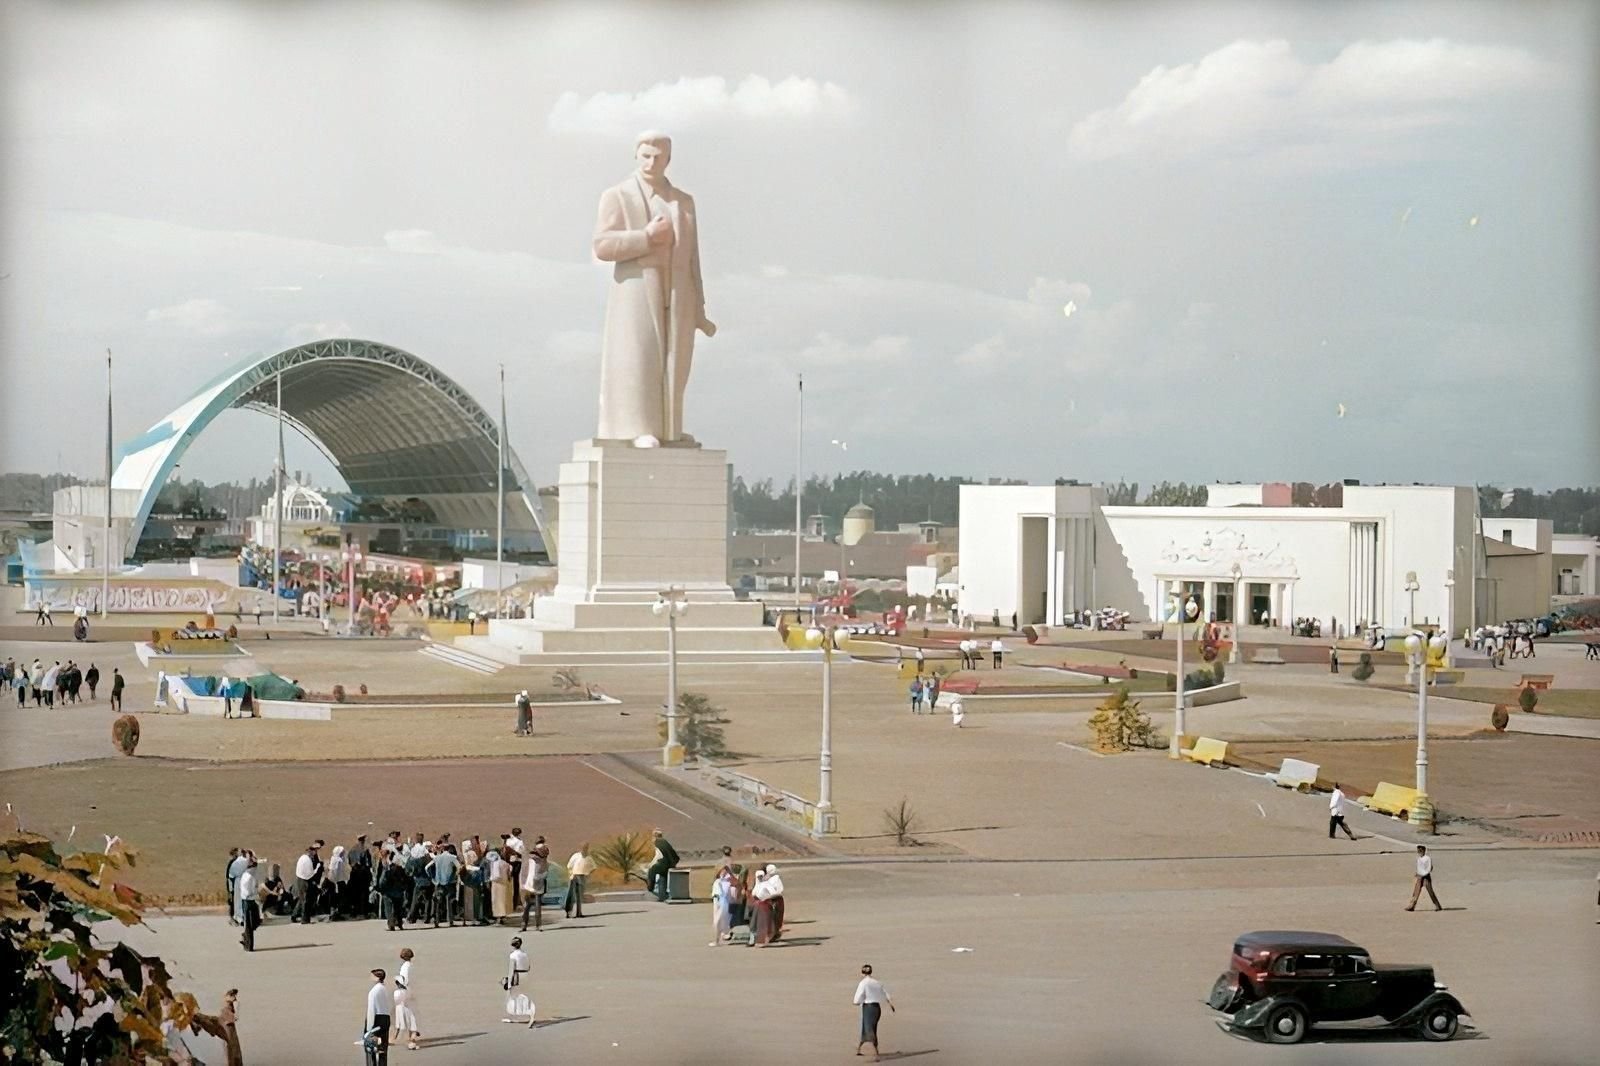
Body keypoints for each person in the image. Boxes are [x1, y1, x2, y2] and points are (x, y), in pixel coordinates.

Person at [853, 964, 895, 1060]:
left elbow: (858, 996)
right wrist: (890, 1004)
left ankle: (876, 1054)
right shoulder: (876, 982)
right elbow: (885, 993)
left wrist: (856, 1002)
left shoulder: (863, 983)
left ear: (862, 973)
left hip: (868, 1008)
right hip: (876, 1008)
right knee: (867, 1028)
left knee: (869, 1030)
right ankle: (858, 1049)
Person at [393, 948, 421, 1051]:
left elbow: (404, 980)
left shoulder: (405, 967)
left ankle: (410, 1035)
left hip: (405, 992)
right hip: (411, 991)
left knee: (406, 1013)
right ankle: (413, 1034)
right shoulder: (411, 966)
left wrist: (398, 981)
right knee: (412, 1012)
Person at [520, 836, 549, 932]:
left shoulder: (534, 853)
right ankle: (538, 925)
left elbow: (530, 855)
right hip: (539, 878)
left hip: (530, 879)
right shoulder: (544, 852)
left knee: (527, 904)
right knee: (537, 904)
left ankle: (524, 925)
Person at [363, 968, 392, 1066]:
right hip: (385, 1018)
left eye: (372, 976)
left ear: (377, 978)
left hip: (376, 1019)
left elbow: (371, 1010)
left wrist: (369, 1028)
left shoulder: (373, 992)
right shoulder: (384, 989)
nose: (371, 977)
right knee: (383, 1047)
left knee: (370, 1047)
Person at [428, 845, 459, 928]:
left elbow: (427, 867)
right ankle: (450, 920)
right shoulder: (452, 857)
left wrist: (432, 878)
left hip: (438, 882)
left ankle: (436, 921)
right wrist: (454, 876)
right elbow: (459, 867)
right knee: (449, 900)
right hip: (449, 882)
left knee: (437, 901)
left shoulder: (437, 858)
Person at [379, 854, 411, 931]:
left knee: (388, 908)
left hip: (388, 892)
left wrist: (382, 889)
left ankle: (391, 924)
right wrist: (403, 889)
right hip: (399, 892)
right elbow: (407, 881)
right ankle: (399, 923)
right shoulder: (402, 871)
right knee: (398, 908)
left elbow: (382, 881)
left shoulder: (389, 869)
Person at [646, 829, 679, 902]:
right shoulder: (665, 842)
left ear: (655, 836)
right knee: (663, 877)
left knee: (652, 871)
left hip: (663, 863)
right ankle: (662, 895)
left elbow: (659, 855)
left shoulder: (658, 842)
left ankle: (650, 887)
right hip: (669, 864)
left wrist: (651, 864)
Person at [1407, 845, 1443, 911]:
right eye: (1418, 851)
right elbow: (1419, 868)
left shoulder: (1427, 858)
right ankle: (1412, 906)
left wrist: (1422, 874)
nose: (1419, 852)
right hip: (1419, 877)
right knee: (1416, 892)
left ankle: (1437, 905)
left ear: (1423, 851)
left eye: (1420, 851)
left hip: (1426, 877)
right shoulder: (1419, 859)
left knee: (1430, 892)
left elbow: (1429, 869)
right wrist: (1417, 873)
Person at [564, 842, 594, 919]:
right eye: (583, 847)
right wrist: (571, 875)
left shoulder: (589, 858)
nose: (584, 849)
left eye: (585, 848)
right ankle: (568, 911)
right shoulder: (575, 856)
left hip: (582, 876)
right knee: (571, 895)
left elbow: (593, 867)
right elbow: (569, 866)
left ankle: (579, 912)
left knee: (579, 896)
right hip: (574, 876)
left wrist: (588, 873)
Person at [237, 856, 261, 951]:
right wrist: (256, 894)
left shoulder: (246, 875)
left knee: (249, 924)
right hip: (249, 901)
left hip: (246, 900)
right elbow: (248, 892)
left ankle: (247, 941)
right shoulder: (250, 877)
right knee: (249, 924)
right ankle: (248, 944)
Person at [326, 844, 352, 920]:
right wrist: (335, 883)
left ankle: (336, 913)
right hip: (336, 882)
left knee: (336, 898)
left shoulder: (336, 859)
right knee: (336, 898)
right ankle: (334, 914)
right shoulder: (337, 861)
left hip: (337, 881)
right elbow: (334, 872)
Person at [709, 867, 733, 946]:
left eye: (724, 872)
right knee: (718, 921)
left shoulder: (726, 882)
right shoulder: (718, 881)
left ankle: (717, 940)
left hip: (722, 901)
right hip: (716, 901)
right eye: (722, 871)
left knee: (718, 921)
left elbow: (725, 892)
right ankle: (721, 936)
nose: (722, 873)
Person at [488, 849, 513, 920]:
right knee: (503, 901)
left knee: (497, 901)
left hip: (497, 884)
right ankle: (503, 916)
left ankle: (499, 918)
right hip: (504, 884)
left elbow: (496, 875)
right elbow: (510, 873)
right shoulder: (505, 863)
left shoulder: (496, 863)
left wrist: (490, 880)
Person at [764, 863, 786, 940]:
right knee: (773, 918)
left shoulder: (776, 879)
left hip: (775, 899)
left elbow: (779, 890)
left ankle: (774, 934)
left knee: (776, 917)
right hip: (771, 900)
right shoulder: (767, 879)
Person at [225, 847, 242, 923]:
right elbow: (228, 876)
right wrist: (230, 888)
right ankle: (232, 917)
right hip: (232, 883)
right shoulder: (232, 863)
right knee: (232, 900)